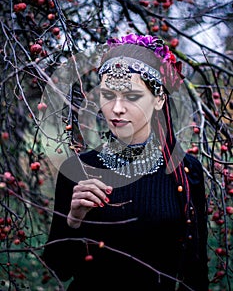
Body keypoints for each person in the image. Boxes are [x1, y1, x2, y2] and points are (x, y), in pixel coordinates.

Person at [42, 34, 209, 290]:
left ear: (159, 100)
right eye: (108, 95)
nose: (116, 109)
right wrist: (74, 220)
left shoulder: (186, 171)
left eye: (131, 97)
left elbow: (195, 272)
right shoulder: (78, 170)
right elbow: (59, 268)